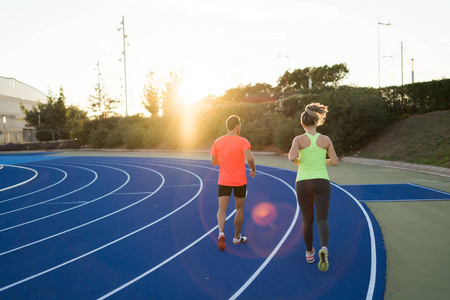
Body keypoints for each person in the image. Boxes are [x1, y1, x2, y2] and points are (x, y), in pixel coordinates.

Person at [288, 103, 338, 272]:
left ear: (303, 123)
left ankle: (310, 253)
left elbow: (291, 157)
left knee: (307, 220)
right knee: (322, 219)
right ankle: (324, 248)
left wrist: (300, 161)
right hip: (322, 181)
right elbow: (335, 162)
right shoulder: (325, 139)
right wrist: (321, 160)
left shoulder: (298, 139)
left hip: (303, 182)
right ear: (317, 122)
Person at [210, 115, 256, 251]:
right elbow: (250, 157)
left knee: (222, 210)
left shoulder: (218, 141)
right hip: (239, 181)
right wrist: (253, 169)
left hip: (224, 180)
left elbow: (213, 161)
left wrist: (224, 161)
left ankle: (221, 233)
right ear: (237, 127)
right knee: (239, 209)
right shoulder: (242, 141)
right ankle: (236, 237)